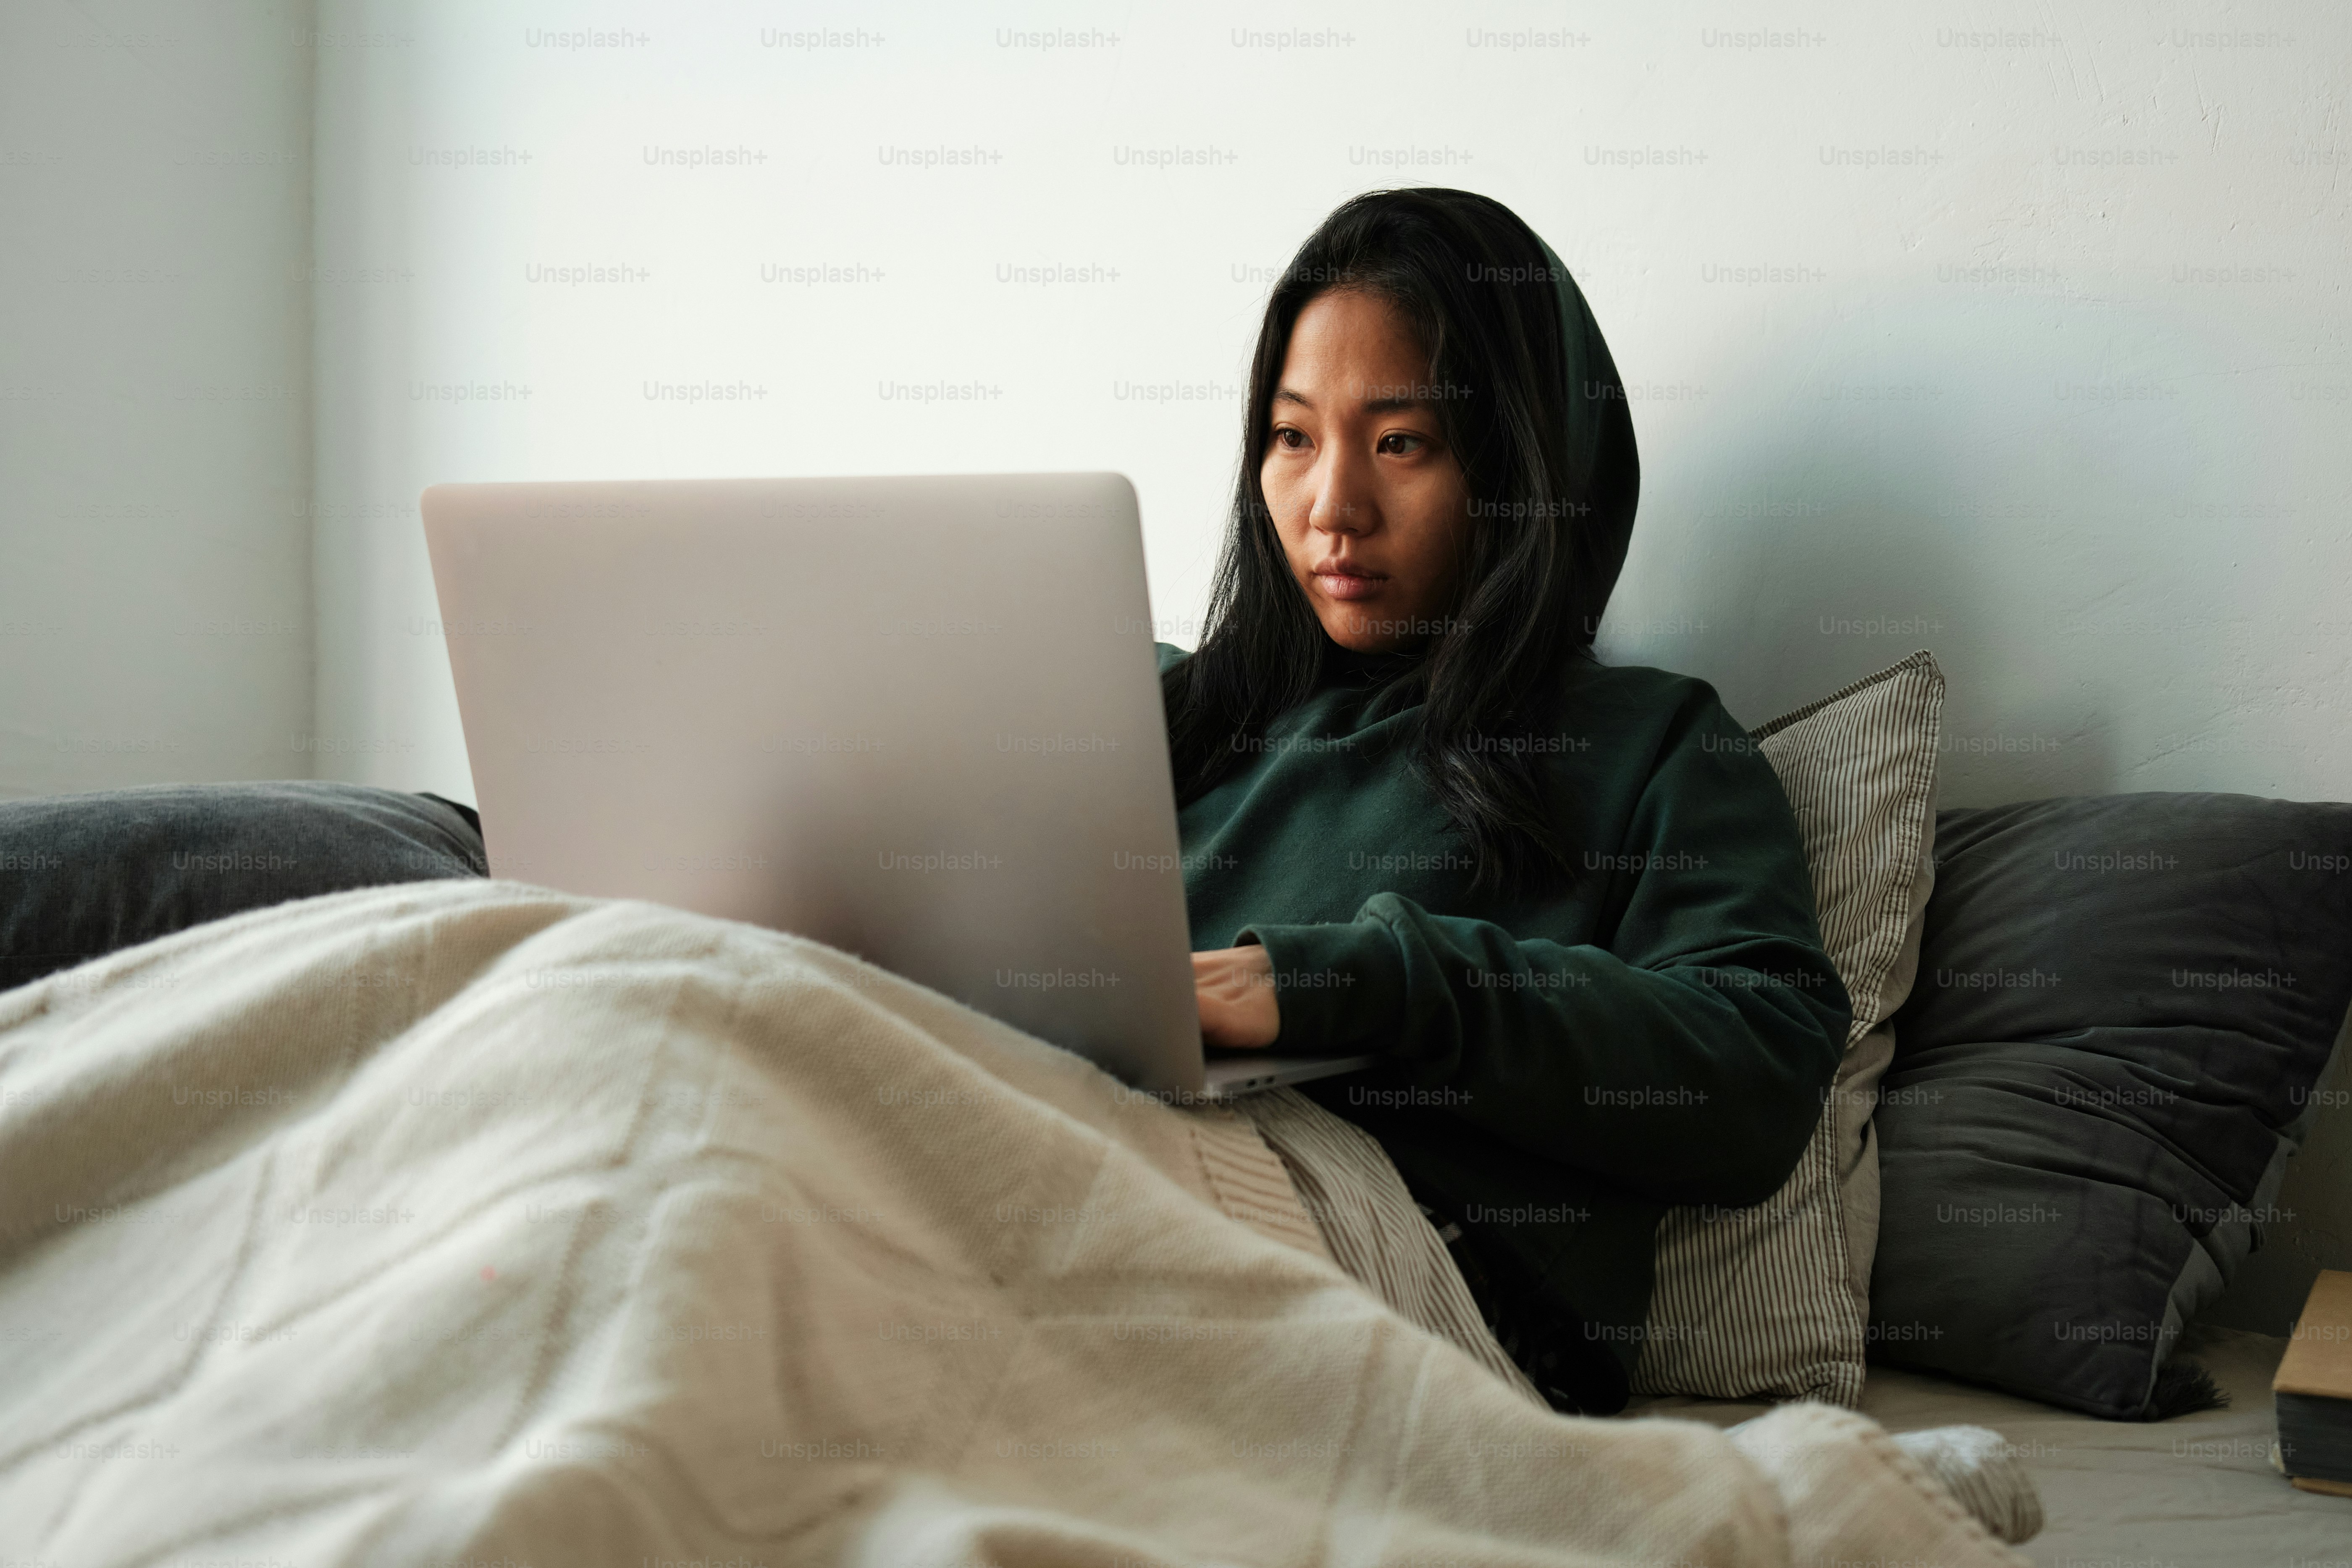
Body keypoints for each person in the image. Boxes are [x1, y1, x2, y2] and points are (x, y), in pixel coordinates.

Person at [0, 186, 1846, 1415]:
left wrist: (1347, 980)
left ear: (1522, 466)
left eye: (1402, 442)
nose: (1325, 507)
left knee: (636, 1044)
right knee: (464, 922)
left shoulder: (1641, 747)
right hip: (1025, 1098)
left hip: (1360, 1229)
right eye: (1289, 435)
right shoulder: (1165, 710)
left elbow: (1758, 1061)